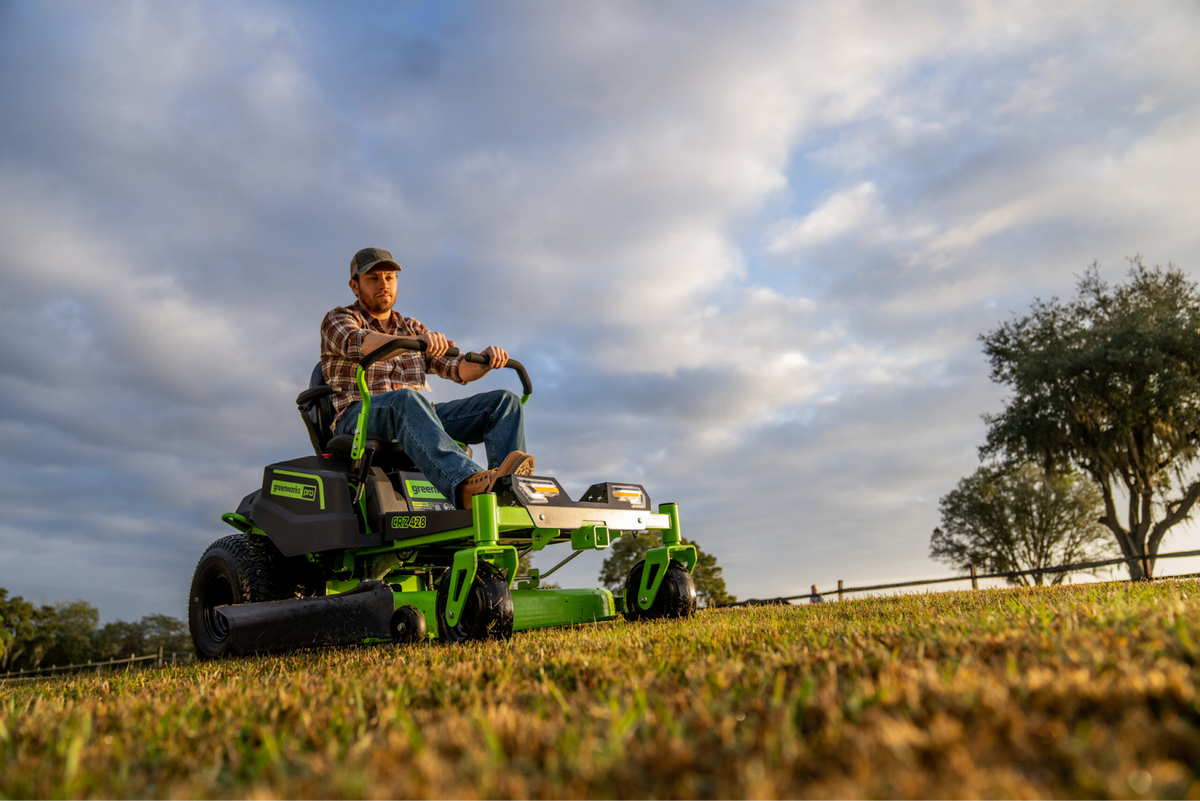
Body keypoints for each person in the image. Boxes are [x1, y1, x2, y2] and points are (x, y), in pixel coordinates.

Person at [320, 247, 535, 509]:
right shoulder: (339, 318)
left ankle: (507, 491)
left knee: (504, 402)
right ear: (355, 286)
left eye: (389, 278)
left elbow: (457, 368)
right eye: (373, 279)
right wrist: (414, 342)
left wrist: (487, 361)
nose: (383, 285)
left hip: (415, 414)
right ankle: (468, 486)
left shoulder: (411, 326)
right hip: (359, 416)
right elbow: (362, 344)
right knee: (406, 399)